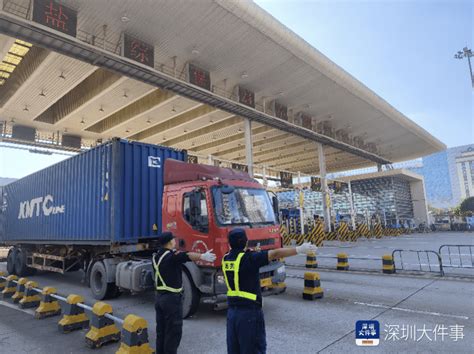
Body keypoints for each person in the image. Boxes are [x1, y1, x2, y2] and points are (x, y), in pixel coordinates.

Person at [222, 228, 317, 354]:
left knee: (235, 350)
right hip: (249, 314)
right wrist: (299, 249)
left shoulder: (226, 259)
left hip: (232, 314)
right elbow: (274, 254)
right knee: (254, 349)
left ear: (229, 243)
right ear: (246, 242)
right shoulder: (250, 259)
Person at [152, 232, 216, 354]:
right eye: (173, 239)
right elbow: (186, 255)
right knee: (173, 333)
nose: (175, 241)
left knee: (161, 332)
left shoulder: (156, 257)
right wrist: (202, 256)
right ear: (170, 242)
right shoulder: (171, 256)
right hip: (171, 300)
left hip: (159, 299)